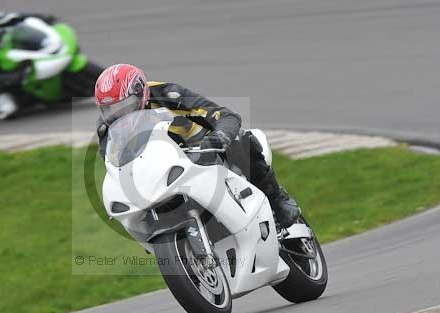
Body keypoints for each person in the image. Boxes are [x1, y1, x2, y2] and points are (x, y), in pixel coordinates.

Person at [94, 63, 301, 228]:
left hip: (204, 151)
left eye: (124, 106)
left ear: (141, 93)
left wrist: (219, 136)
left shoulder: (168, 95)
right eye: (110, 110)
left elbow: (225, 115)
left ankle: (278, 200)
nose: (120, 115)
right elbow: (115, 166)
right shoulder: (107, 129)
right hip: (162, 171)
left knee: (241, 137)